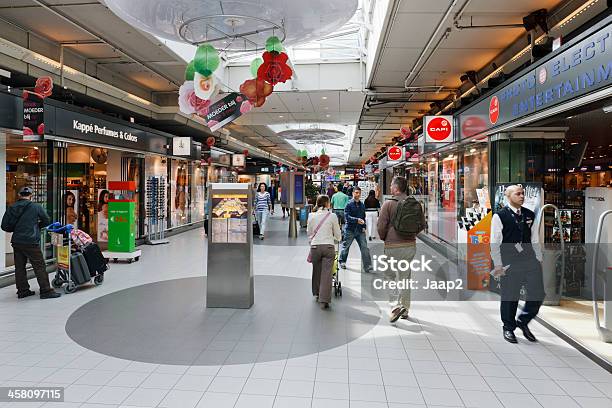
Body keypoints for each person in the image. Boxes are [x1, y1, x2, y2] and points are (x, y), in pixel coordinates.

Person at [490, 184, 544, 344]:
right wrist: (498, 264)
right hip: (509, 262)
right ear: (508, 196)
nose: (522, 196)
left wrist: (539, 259)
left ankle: (523, 321)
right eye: (518, 194)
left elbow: (534, 239)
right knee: (510, 296)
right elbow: (495, 243)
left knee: (538, 294)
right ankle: (508, 327)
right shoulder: (499, 216)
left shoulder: (529, 215)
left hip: (529, 259)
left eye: (523, 194)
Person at [377, 176, 424, 322]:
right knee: (405, 277)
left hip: (392, 246)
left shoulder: (388, 204)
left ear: (396, 188)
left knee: (390, 276)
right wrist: (411, 235)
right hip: (410, 246)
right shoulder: (415, 204)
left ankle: (395, 305)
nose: (390, 188)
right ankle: (405, 309)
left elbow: (380, 226)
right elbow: (422, 224)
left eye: (391, 185)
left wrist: (385, 237)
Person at [1, 187, 61, 299]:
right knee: (39, 266)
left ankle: (22, 291)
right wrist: (37, 226)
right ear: (31, 195)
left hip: (17, 241)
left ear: (19, 195)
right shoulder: (36, 207)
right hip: (31, 241)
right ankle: (46, 290)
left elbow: (4, 226)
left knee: (19, 267)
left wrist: (17, 228)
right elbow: (46, 220)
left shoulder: (12, 207)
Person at [307, 195, 341, 309]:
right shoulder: (332, 216)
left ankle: (316, 293)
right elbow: (337, 233)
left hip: (315, 247)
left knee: (317, 270)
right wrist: (338, 238)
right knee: (327, 273)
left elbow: (309, 232)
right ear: (327, 204)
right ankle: (324, 299)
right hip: (328, 247)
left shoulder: (311, 215)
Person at [339, 187, 373, 273]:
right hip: (350, 229)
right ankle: (342, 261)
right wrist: (357, 220)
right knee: (346, 246)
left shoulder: (362, 205)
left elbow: (363, 217)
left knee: (364, 247)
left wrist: (364, 226)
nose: (357, 195)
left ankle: (367, 266)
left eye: (359, 193)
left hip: (360, 230)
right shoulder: (349, 204)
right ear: (353, 193)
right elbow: (347, 217)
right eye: (356, 193)